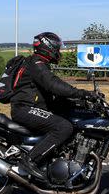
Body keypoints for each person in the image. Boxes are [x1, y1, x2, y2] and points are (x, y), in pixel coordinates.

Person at [10, 32, 95, 180]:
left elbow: (51, 94)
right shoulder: (36, 64)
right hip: (25, 109)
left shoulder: (39, 63)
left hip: (32, 107)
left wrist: (79, 103)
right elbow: (53, 85)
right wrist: (82, 93)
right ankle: (30, 160)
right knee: (64, 127)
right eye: (57, 48)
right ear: (48, 48)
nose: (58, 52)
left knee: (70, 117)